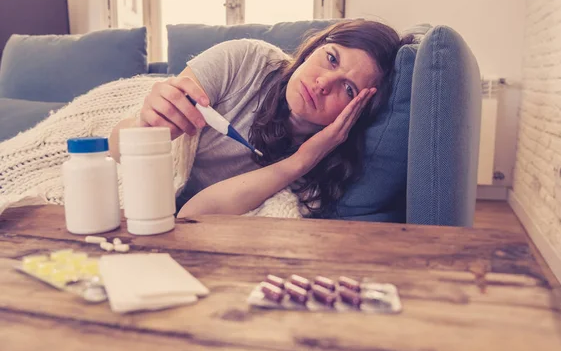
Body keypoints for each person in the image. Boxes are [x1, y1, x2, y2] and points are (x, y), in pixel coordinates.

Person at [109, 19, 410, 218]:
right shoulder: (244, 61)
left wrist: (300, 161)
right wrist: (147, 125)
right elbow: (115, 147)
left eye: (347, 89)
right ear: (313, 49)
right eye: (331, 58)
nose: (322, 84)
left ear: (356, 114)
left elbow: (195, 215)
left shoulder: (323, 170)